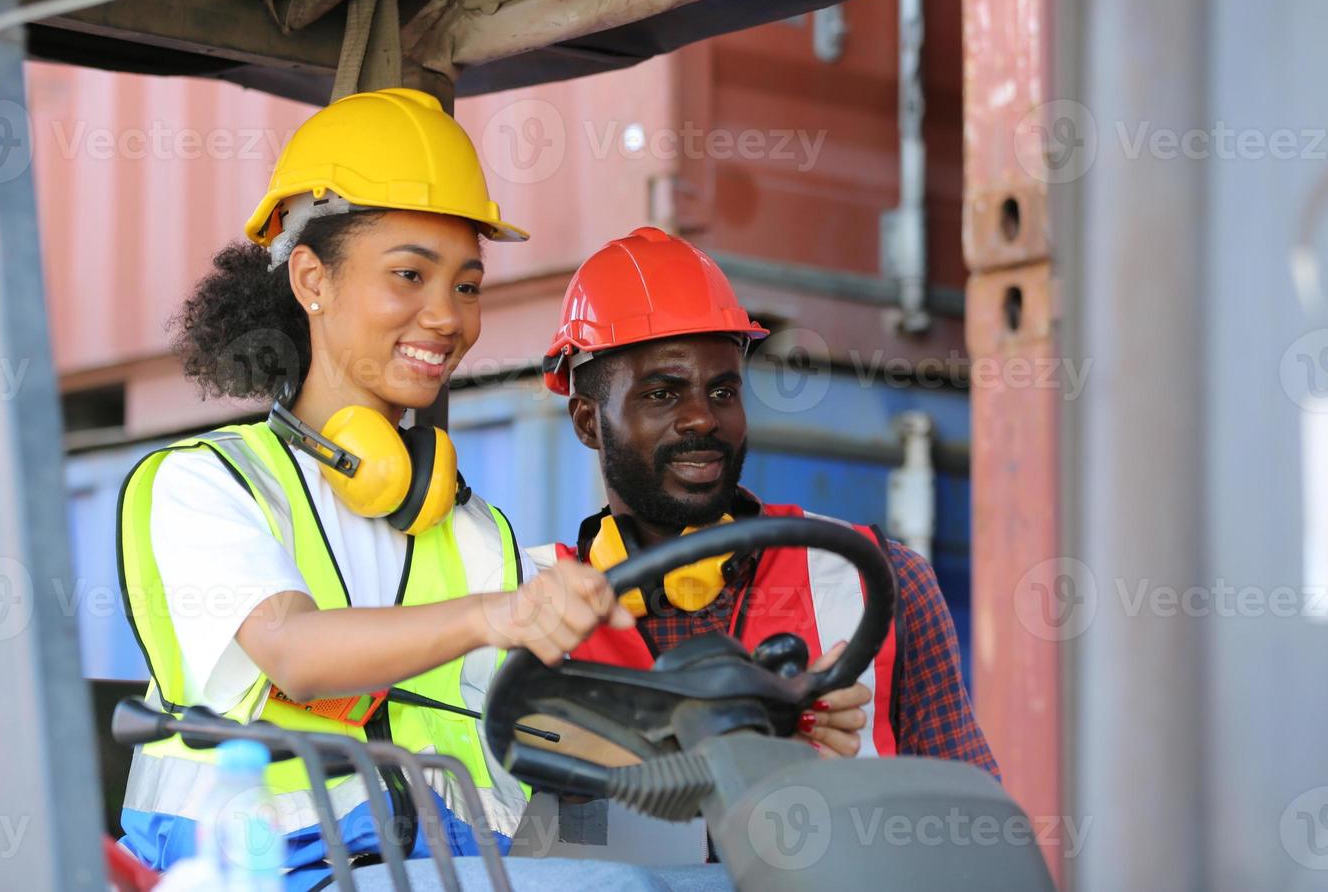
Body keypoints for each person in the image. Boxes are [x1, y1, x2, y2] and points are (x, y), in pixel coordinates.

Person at [114, 88, 635, 891]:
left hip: (447, 869)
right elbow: (296, 655)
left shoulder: (472, 531)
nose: (446, 318)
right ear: (312, 280)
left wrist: (752, 726)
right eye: (408, 275)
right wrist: (494, 615)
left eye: (466, 286)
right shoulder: (208, 485)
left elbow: (553, 751)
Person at [533, 226, 999, 775]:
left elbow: (974, 831)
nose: (704, 418)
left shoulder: (880, 583)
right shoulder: (527, 612)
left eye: (723, 392)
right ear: (589, 421)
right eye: (661, 394)